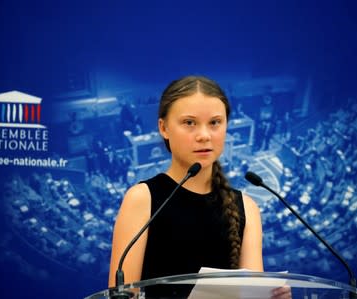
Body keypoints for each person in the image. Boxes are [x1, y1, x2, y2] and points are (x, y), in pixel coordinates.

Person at [108, 75, 291, 298]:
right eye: (189, 123)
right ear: (163, 128)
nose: (204, 135)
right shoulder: (142, 198)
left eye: (215, 122)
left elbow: (251, 293)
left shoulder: (247, 207)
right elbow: (122, 295)